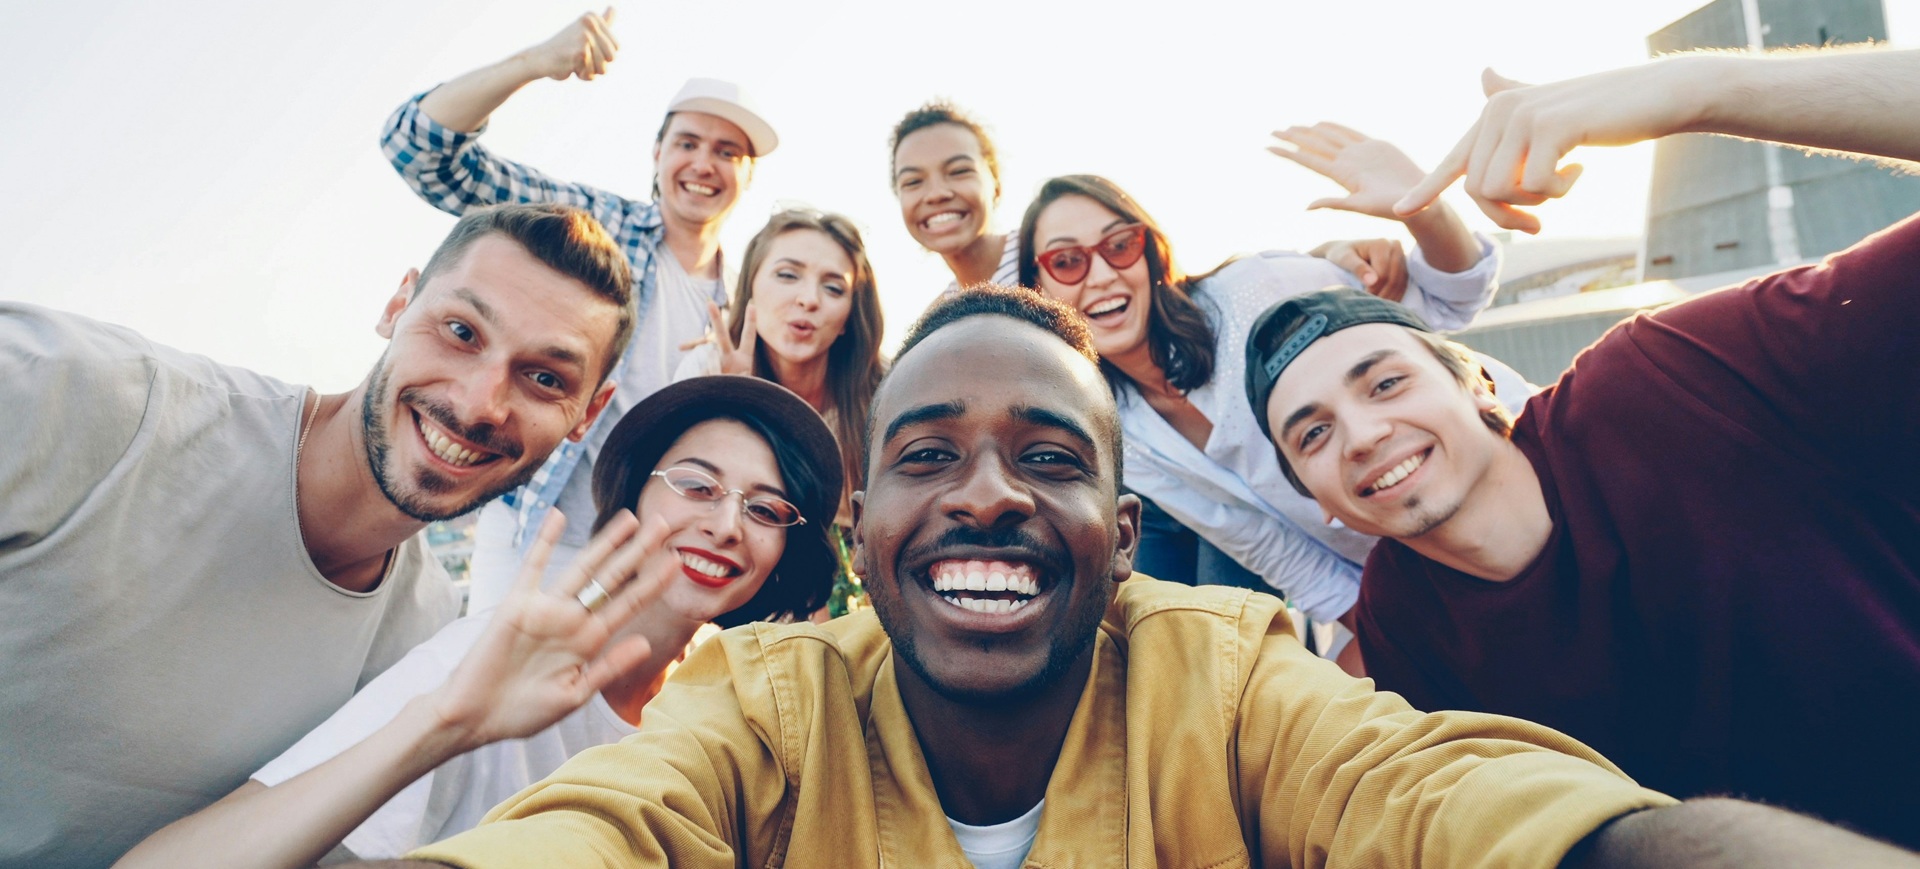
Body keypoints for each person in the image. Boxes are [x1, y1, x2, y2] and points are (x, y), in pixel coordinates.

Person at [342, 287, 1920, 869]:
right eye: (927, 455)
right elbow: (600, 831)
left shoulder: (1231, 669)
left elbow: (1448, 801)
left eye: (1049, 458)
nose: (984, 499)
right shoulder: (759, 703)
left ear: (1119, 526)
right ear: (858, 536)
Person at [1249, 46, 1920, 848]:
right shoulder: (1403, 626)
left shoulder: (1664, 380)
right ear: (1314, 496)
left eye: (1386, 382)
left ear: (1478, 385)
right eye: (1313, 433)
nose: (1361, 434)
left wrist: (1696, 89)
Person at [0, 202, 635, 869]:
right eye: (460, 330)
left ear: (586, 414)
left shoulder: (424, 644)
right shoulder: (70, 393)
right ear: (397, 303)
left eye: (543, 378)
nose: (480, 402)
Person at [116, 376, 841, 868]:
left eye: (766, 508)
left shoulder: (729, 699)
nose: (724, 524)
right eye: (696, 484)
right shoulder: (490, 651)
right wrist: (450, 720)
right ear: (634, 495)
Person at [382, 8, 778, 613]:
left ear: (748, 175)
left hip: (656, 552)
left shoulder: (752, 295)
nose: (704, 164)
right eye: (688, 143)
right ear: (656, 154)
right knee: (492, 694)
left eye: (727, 151)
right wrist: (535, 62)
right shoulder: (595, 229)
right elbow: (421, 153)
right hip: (540, 528)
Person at [1016, 163, 1522, 635]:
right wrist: (1389, 633)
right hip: (1421, 575)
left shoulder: (1257, 288)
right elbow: (1257, 538)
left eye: (1120, 245)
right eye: (1066, 261)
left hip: (1518, 488)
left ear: (1151, 251)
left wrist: (1425, 207)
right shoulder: (1115, 423)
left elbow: (1451, 299)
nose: (1101, 274)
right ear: (1040, 288)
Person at [887, 102, 1413, 297]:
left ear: (993, 182)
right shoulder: (949, 310)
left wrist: (1329, 254)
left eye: (958, 171)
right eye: (912, 182)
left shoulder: (1055, 247)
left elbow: (1183, 287)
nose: (937, 194)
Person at [675, 209, 885, 613]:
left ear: (847, 320)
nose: (808, 299)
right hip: (734, 559)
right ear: (750, 287)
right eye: (787, 275)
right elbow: (681, 495)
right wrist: (733, 402)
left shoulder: (880, 391)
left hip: (854, 576)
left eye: (833, 288)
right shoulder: (709, 365)